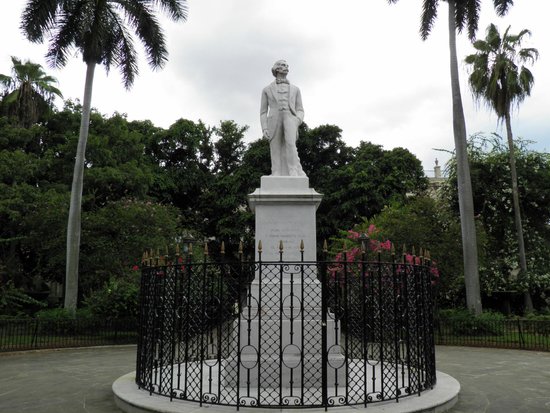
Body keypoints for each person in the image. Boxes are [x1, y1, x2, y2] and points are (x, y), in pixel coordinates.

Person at [260, 60, 306, 176]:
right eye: (283, 65)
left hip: (290, 118)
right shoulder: (266, 89)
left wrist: (298, 120)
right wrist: (264, 128)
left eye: (287, 66)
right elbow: (263, 111)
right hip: (273, 119)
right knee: (274, 146)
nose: (286, 67)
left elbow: (300, 109)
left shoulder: (295, 89)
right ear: (276, 69)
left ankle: (293, 170)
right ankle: (275, 171)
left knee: (291, 144)